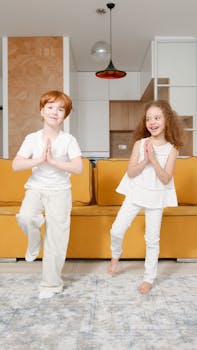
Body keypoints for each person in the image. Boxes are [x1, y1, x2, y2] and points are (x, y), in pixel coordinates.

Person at [108, 100, 184, 294]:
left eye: (157, 118)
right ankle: (116, 254)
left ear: (167, 120)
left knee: (152, 240)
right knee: (116, 230)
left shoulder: (173, 148)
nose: (152, 122)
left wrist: (154, 160)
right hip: (136, 192)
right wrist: (145, 159)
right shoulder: (140, 144)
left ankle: (148, 278)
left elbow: (166, 178)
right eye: (149, 118)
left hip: (156, 196)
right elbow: (131, 172)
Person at [12, 90, 83, 299]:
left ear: (65, 116)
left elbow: (78, 168)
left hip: (60, 192)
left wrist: (53, 161)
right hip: (36, 188)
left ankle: (51, 285)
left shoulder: (68, 140)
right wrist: (39, 160)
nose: (55, 112)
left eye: (61, 109)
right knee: (25, 217)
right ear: (42, 111)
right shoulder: (32, 139)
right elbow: (16, 165)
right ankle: (34, 241)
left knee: (56, 239)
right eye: (50, 107)